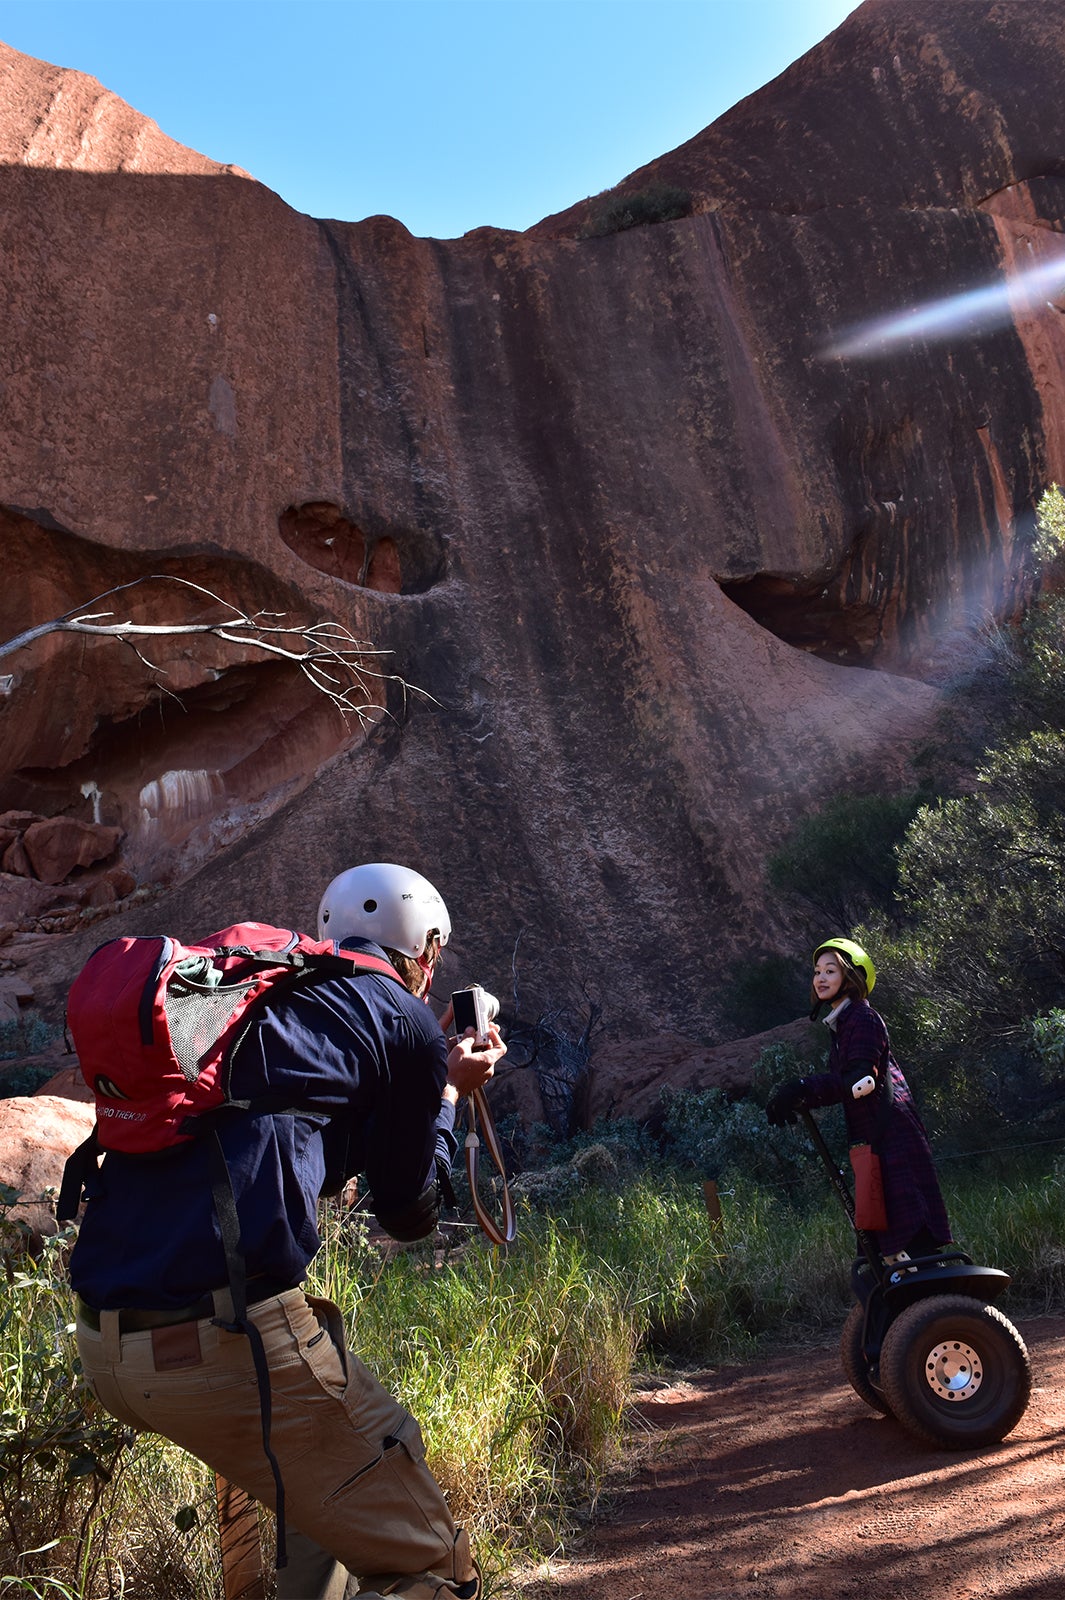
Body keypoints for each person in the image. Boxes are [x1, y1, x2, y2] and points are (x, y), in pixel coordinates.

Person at [69, 862, 504, 1600]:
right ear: (423, 951)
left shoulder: (276, 991)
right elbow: (409, 1214)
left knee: (311, 1492)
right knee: (434, 1566)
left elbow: (296, 1136)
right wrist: (443, 1096)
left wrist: (415, 1080)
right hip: (225, 1340)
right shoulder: (402, 1022)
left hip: (110, 1346)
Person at [765, 937, 951, 1264]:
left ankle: (933, 1295)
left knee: (908, 1242)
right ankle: (911, 1295)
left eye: (830, 971)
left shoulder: (864, 1019)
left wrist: (803, 1087)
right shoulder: (843, 1024)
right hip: (874, 1140)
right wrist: (800, 1096)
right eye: (817, 972)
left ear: (851, 977)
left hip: (893, 1138)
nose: (820, 978)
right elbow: (844, 1083)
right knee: (883, 1246)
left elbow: (861, 1082)